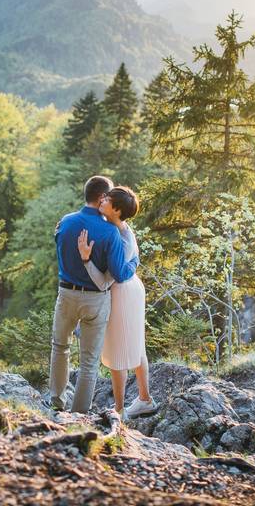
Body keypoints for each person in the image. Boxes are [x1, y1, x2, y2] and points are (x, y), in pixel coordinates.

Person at [49, 176, 138, 413]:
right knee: (89, 362)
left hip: (66, 293)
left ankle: (56, 403)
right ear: (101, 198)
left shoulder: (65, 223)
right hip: (96, 300)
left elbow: (58, 242)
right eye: (108, 196)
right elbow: (120, 273)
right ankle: (79, 414)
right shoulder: (110, 233)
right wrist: (135, 263)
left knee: (60, 347)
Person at [77, 186, 158, 419]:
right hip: (132, 288)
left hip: (123, 291)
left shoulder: (119, 236)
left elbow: (114, 277)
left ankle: (120, 411)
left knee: (117, 351)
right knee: (135, 344)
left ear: (117, 209)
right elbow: (136, 257)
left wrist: (86, 260)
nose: (102, 200)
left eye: (107, 199)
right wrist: (135, 265)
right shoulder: (120, 226)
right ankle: (145, 399)